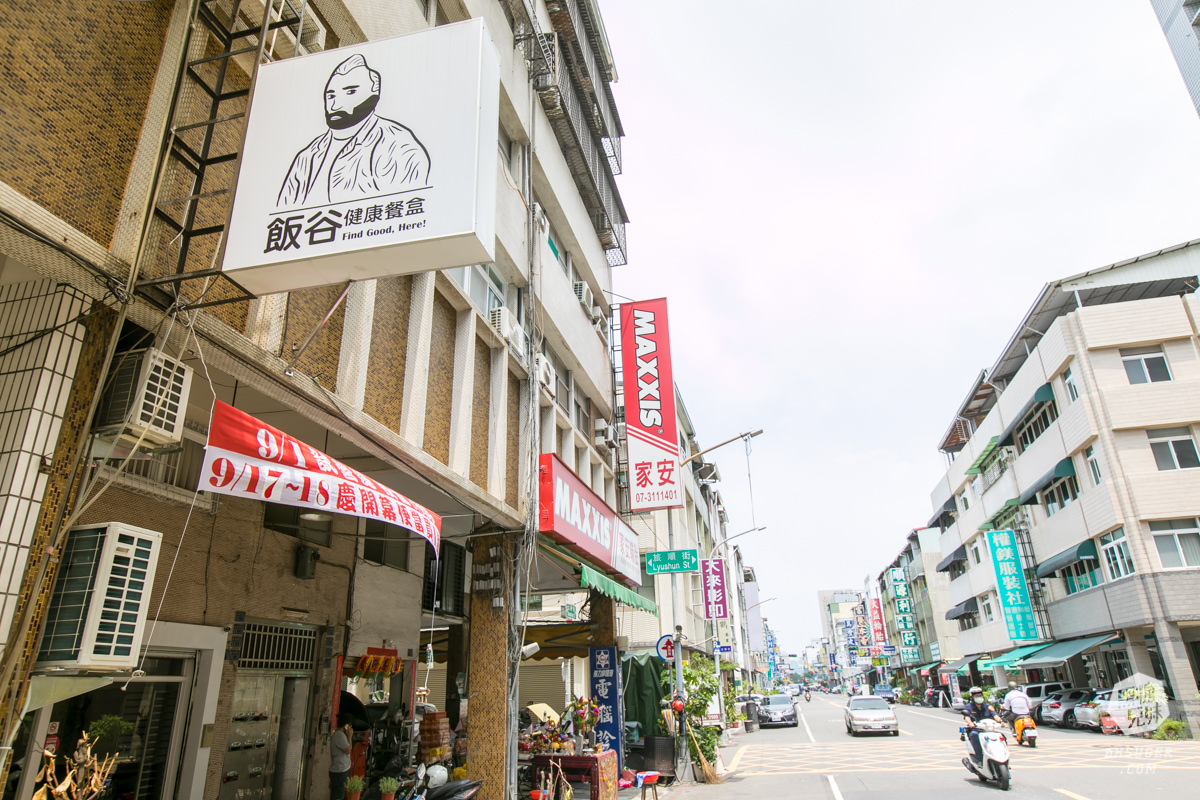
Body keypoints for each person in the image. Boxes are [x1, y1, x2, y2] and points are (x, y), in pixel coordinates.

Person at [278, 54, 431, 208]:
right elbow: (282, 209)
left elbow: (405, 213)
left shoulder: (397, 145)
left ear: (374, 95)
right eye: (330, 96)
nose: (335, 105)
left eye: (350, 92)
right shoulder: (308, 155)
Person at [961, 687, 1004, 765]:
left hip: (988, 729)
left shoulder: (988, 706)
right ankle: (979, 759)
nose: (979, 697)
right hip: (976, 729)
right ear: (972, 697)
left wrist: (1001, 722)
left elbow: (995, 715)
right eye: (976, 696)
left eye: (980, 696)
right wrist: (970, 723)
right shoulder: (969, 707)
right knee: (974, 735)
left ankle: (1003, 757)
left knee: (1001, 736)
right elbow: (967, 717)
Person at [330, 716, 353, 799]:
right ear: (346, 726)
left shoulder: (340, 735)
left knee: (338, 794)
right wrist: (350, 736)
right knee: (338, 796)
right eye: (349, 726)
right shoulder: (339, 735)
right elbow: (348, 750)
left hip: (341, 769)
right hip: (339, 770)